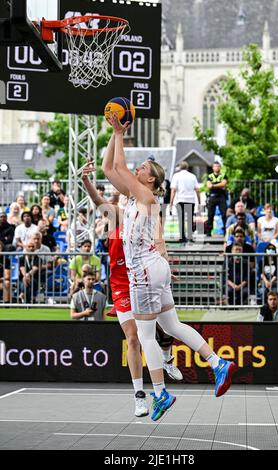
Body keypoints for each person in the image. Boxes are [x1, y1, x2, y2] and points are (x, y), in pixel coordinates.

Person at [105, 112, 237, 421]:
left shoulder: (144, 193)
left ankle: (161, 393)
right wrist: (114, 134)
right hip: (155, 267)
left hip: (144, 272)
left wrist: (118, 131)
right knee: (172, 326)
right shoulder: (131, 194)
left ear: (150, 178)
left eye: (144, 167)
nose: (137, 168)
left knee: (148, 337)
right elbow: (109, 167)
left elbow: (120, 167)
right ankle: (218, 363)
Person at [82, 158, 183, 418]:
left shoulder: (142, 212)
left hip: (144, 276)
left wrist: (165, 262)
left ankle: (167, 358)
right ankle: (140, 395)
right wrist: (85, 181)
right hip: (121, 285)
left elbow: (158, 239)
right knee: (134, 338)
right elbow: (98, 202)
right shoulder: (118, 218)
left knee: (167, 325)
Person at [170, 161, 200, 243]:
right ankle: (190, 237)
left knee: (181, 219)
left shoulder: (176, 176)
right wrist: (199, 202)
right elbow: (197, 190)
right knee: (190, 219)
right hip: (190, 200)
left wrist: (171, 203)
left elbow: (173, 190)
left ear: (180, 167)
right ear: (187, 167)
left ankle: (182, 237)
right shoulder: (192, 176)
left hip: (180, 200)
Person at [206, 161, 228, 236]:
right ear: (213, 168)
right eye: (215, 166)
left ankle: (225, 231)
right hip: (212, 197)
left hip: (221, 197)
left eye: (218, 166)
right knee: (210, 215)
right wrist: (219, 185)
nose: (217, 168)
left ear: (220, 167)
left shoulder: (223, 175)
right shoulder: (210, 176)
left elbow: (224, 184)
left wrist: (213, 185)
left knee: (224, 214)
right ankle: (209, 232)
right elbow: (209, 185)